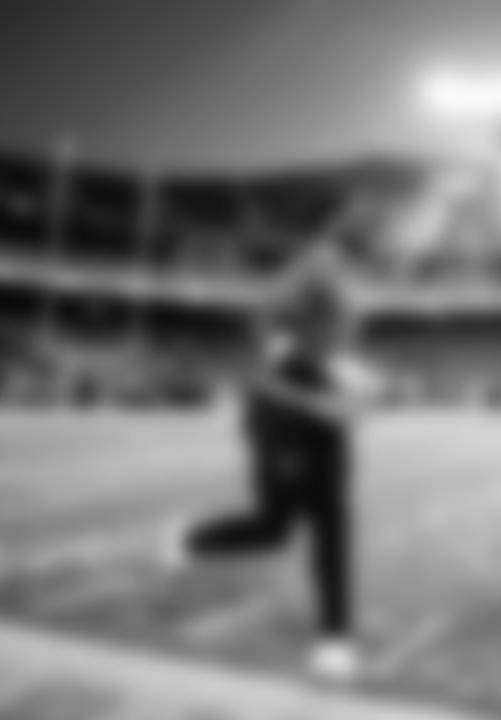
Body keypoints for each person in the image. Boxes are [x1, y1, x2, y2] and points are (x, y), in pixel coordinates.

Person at [166, 244, 377, 682]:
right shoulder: (284, 337)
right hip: (279, 438)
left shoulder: (339, 351)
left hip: (320, 439)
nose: (345, 328)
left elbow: (343, 407)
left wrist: (325, 393)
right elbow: (270, 371)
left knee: (333, 533)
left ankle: (334, 638)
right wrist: (313, 400)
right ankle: (191, 538)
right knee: (272, 529)